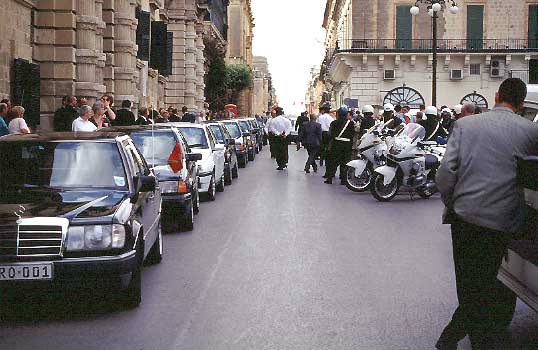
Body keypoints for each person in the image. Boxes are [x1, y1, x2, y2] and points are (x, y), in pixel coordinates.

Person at [435, 78, 538, 350]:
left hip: (465, 217)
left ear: (496, 96)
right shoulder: (530, 131)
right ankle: (458, 338)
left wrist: (452, 203)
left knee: (468, 283)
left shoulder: (465, 125)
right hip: (501, 220)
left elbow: (445, 175)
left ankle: (457, 338)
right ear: (521, 103)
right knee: (482, 280)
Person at [324, 106, 355, 185]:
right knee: (344, 162)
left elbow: (330, 134)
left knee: (333, 162)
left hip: (336, 144)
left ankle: (330, 178)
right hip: (347, 145)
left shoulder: (334, 123)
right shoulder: (350, 123)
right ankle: (343, 179)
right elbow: (352, 135)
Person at [318, 102, 333, 167]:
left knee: (322, 147)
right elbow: (331, 126)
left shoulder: (320, 117)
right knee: (327, 147)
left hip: (321, 133)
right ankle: (326, 161)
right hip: (327, 133)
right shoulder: (330, 118)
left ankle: (321, 160)